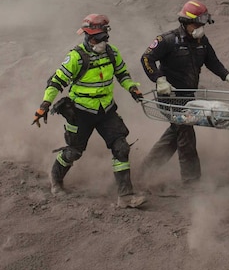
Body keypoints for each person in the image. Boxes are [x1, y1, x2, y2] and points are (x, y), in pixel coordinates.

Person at [33, 14, 146, 208]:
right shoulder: (76, 57)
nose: (100, 41)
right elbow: (56, 82)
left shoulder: (112, 53)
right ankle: (56, 180)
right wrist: (44, 106)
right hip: (80, 112)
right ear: (86, 36)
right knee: (74, 152)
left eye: (103, 37)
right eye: (95, 38)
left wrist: (132, 89)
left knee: (121, 148)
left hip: (106, 111)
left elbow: (122, 74)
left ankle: (125, 197)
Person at [140, 0, 229, 186]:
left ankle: (145, 171)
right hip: (169, 98)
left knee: (174, 134)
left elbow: (213, 61)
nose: (200, 28)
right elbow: (147, 58)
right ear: (185, 22)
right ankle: (192, 183)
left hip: (187, 98)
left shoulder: (202, 42)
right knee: (186, 135)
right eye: (197, 24)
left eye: (202, 25)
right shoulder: (168, 40)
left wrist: (227, 76)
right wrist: (159, 79)